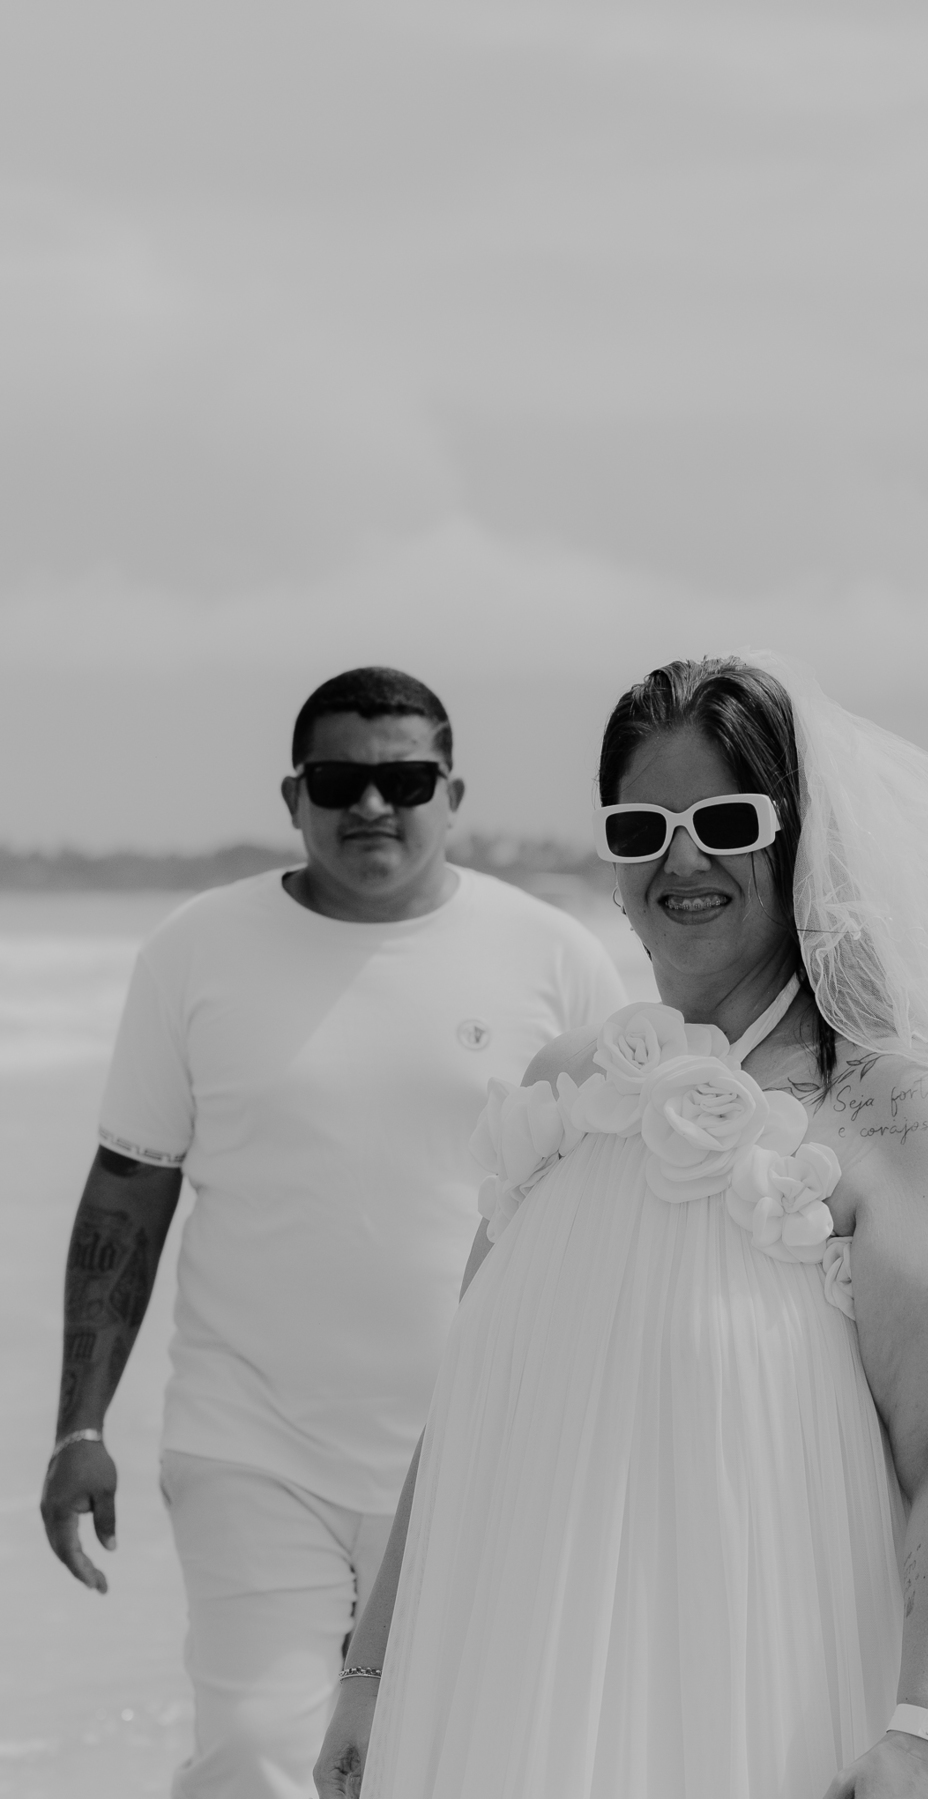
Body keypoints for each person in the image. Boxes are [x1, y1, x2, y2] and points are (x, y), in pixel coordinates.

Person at [315, 655, 928, 1799]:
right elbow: (465, 1423)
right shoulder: (565, 1094)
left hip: (758, 1708)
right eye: (642, 828)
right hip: (510, 1697)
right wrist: (371, 1672)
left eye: (725, 821)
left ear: (801, 842)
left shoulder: (895, 1105)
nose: (681, 858)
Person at [40, 666, 627, 1799]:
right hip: (252, 1442)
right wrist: (79, 1424)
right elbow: (127, 1189)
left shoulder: (555, 956)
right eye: (337, 779)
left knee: (456, 1761)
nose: (370, 805)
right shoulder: (196, 949)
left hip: (485, 1442)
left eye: (403, 781)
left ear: (453, 794)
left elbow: (619, 1198)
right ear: (291, 794)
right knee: (256, 1753)